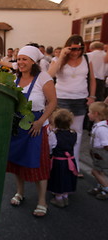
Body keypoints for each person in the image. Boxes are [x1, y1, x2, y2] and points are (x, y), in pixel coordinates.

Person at [7, 45, 57, 218]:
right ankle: (20, 192)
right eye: (19, 59)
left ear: (33, 61)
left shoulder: (43, 77)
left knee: (39, 165)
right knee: (18, 162)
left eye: (24, 59)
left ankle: (42, 201)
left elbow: (52, 102)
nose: (20, 62)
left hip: (36, 127)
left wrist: (41, 121)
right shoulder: (15, 78)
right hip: (18, 127)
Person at [48, 34, 97, 177]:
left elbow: (92, 79)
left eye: (79, 49)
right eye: (73, 49)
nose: (76, 52)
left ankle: (74, 166)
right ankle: (56, 164)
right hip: (62, 98)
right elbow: (50, 74)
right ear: (67, 47)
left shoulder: (87, 59)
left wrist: (92, 96)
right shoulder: (57, 59)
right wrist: (62, 57)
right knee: (57, 131)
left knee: (77, 133)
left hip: (80, 99)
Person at [47, 108, 78, 208]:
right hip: (70, 160)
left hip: (58, 161)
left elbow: (50, 147)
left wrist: (49, 155)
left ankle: (58, 199)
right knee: (67, 177)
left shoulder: (54, 135)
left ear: (55, 122)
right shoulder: (74, 133)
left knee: (58, 178)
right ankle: (65, 196)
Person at [86, 101, 108, 200]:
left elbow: (106, 144)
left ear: (96, 114)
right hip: (97, 154)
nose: (88, 114)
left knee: (95, 171)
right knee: (100, 172)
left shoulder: (102, 129)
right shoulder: (97, 125)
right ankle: (101, 188)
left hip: (101, 154)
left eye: (89, 112)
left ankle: (106, 188)